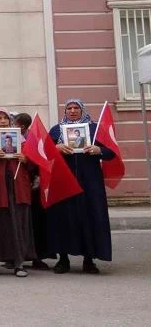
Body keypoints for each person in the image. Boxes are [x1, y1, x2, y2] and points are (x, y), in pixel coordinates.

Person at [47, 99, 115, 274]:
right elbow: (44, 153)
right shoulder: (56, 130)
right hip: (62, 182)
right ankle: (63, 260)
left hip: (90, 182)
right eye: (68, 108)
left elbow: (111, 152)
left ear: (82, 109)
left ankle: (89, 260)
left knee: (90, 217)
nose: (72, 111)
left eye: (76, 107)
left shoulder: (94, 129)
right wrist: (56, 147)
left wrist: (98, 150)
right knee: (63, 218)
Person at [0, 108, 35, 278]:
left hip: (18, 188)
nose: (2, 121)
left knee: (17, 225)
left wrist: (25, 159)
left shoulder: (23, 140)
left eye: (5, 118)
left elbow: (34, 163)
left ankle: (19, 263)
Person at [14, 112, 55, 270]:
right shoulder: (11, 137)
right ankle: (15, 256)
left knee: (36, 223)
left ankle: (38, 256)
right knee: (18, 223)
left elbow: (40, 159)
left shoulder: (34, 139)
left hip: (34, 186)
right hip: (18, 185)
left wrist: (28, 162)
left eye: (14, 123)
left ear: (22, 126)